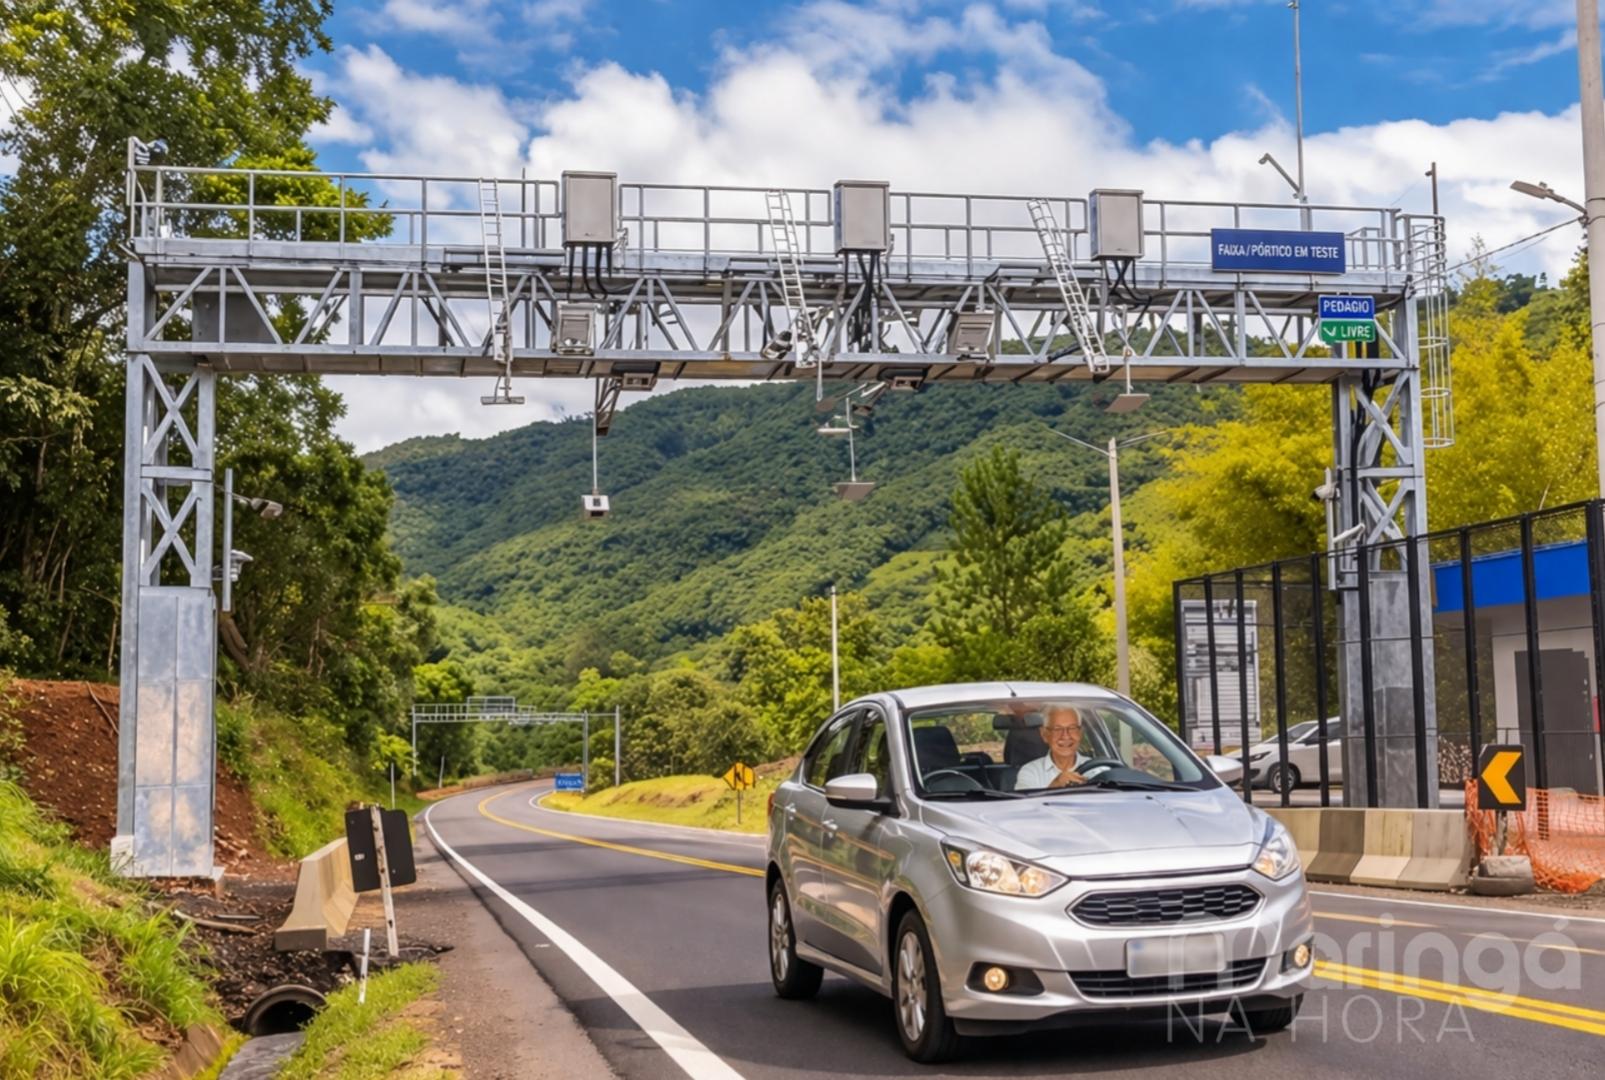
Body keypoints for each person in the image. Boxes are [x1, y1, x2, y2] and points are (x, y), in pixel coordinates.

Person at [1014, 705, 1089, 790]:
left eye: (1072, 728)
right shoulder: (1030, 772)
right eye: (1057, 729)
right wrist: (1054, 786)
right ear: (1044, 735)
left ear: (1080, 733)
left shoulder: (1098, 768)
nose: (1065, 736)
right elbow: (1025, 803)